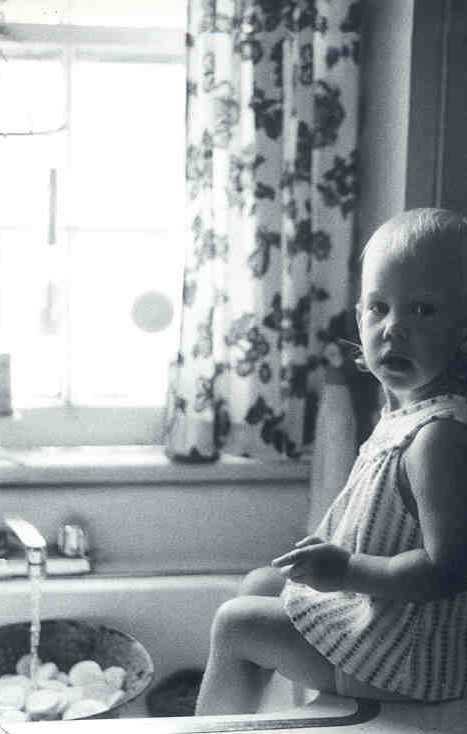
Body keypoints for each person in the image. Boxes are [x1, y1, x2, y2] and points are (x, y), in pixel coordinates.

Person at [195, 208, 467, 715]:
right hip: (385, 623)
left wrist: (347, 569)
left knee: (236, 624)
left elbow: (446, 570)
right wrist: (343, 558)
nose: (394, 328)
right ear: (359, 316)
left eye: (423, 310)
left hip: (408, 659)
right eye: (379, 308)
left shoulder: (439, 438)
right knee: (259, 585)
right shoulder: (405, 413)